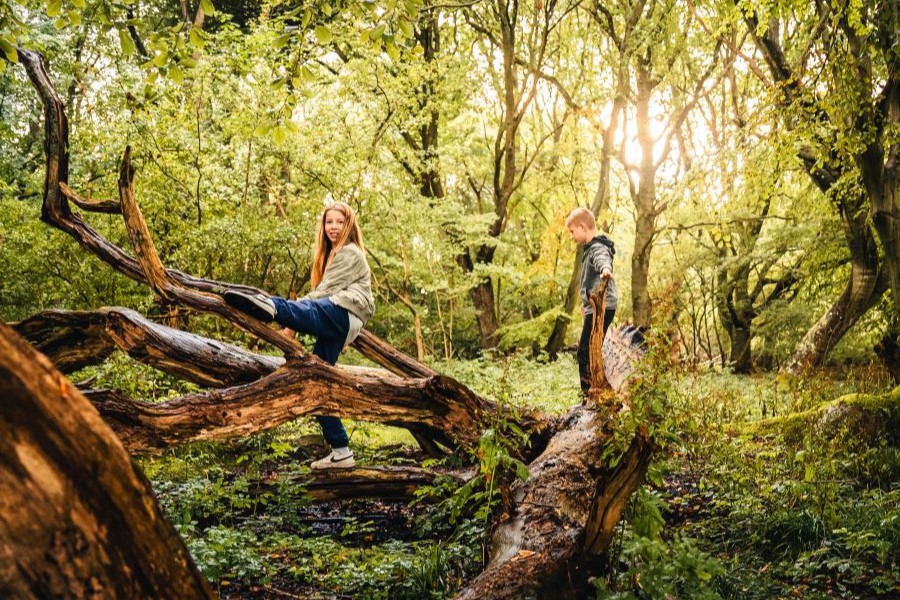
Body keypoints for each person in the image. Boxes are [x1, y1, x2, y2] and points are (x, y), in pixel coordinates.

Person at [223, 201, 375, 469]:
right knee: (317, 380)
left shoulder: (350, 253)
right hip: (340, 316)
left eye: (340, 222)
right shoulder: (332, 255)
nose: (334, 227)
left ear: (349, 224)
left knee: (313, 311)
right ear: (323, 225)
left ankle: (271, 306)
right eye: (329, 222)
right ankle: (341, 451)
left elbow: (321, 296)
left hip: (344, 311)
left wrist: (287, 317)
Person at [566, 207, 617, 395]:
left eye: (572, 231)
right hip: (597, 306)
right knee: (593, 349)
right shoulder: (590, 248)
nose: (571, 236)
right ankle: (599, 391)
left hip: (603, 307)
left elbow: (601, 259)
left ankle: (589, 396)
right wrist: (586, 303)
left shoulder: (596, 248)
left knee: (584, 352)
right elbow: (590, 281)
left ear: (582, 227)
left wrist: (605, 269)